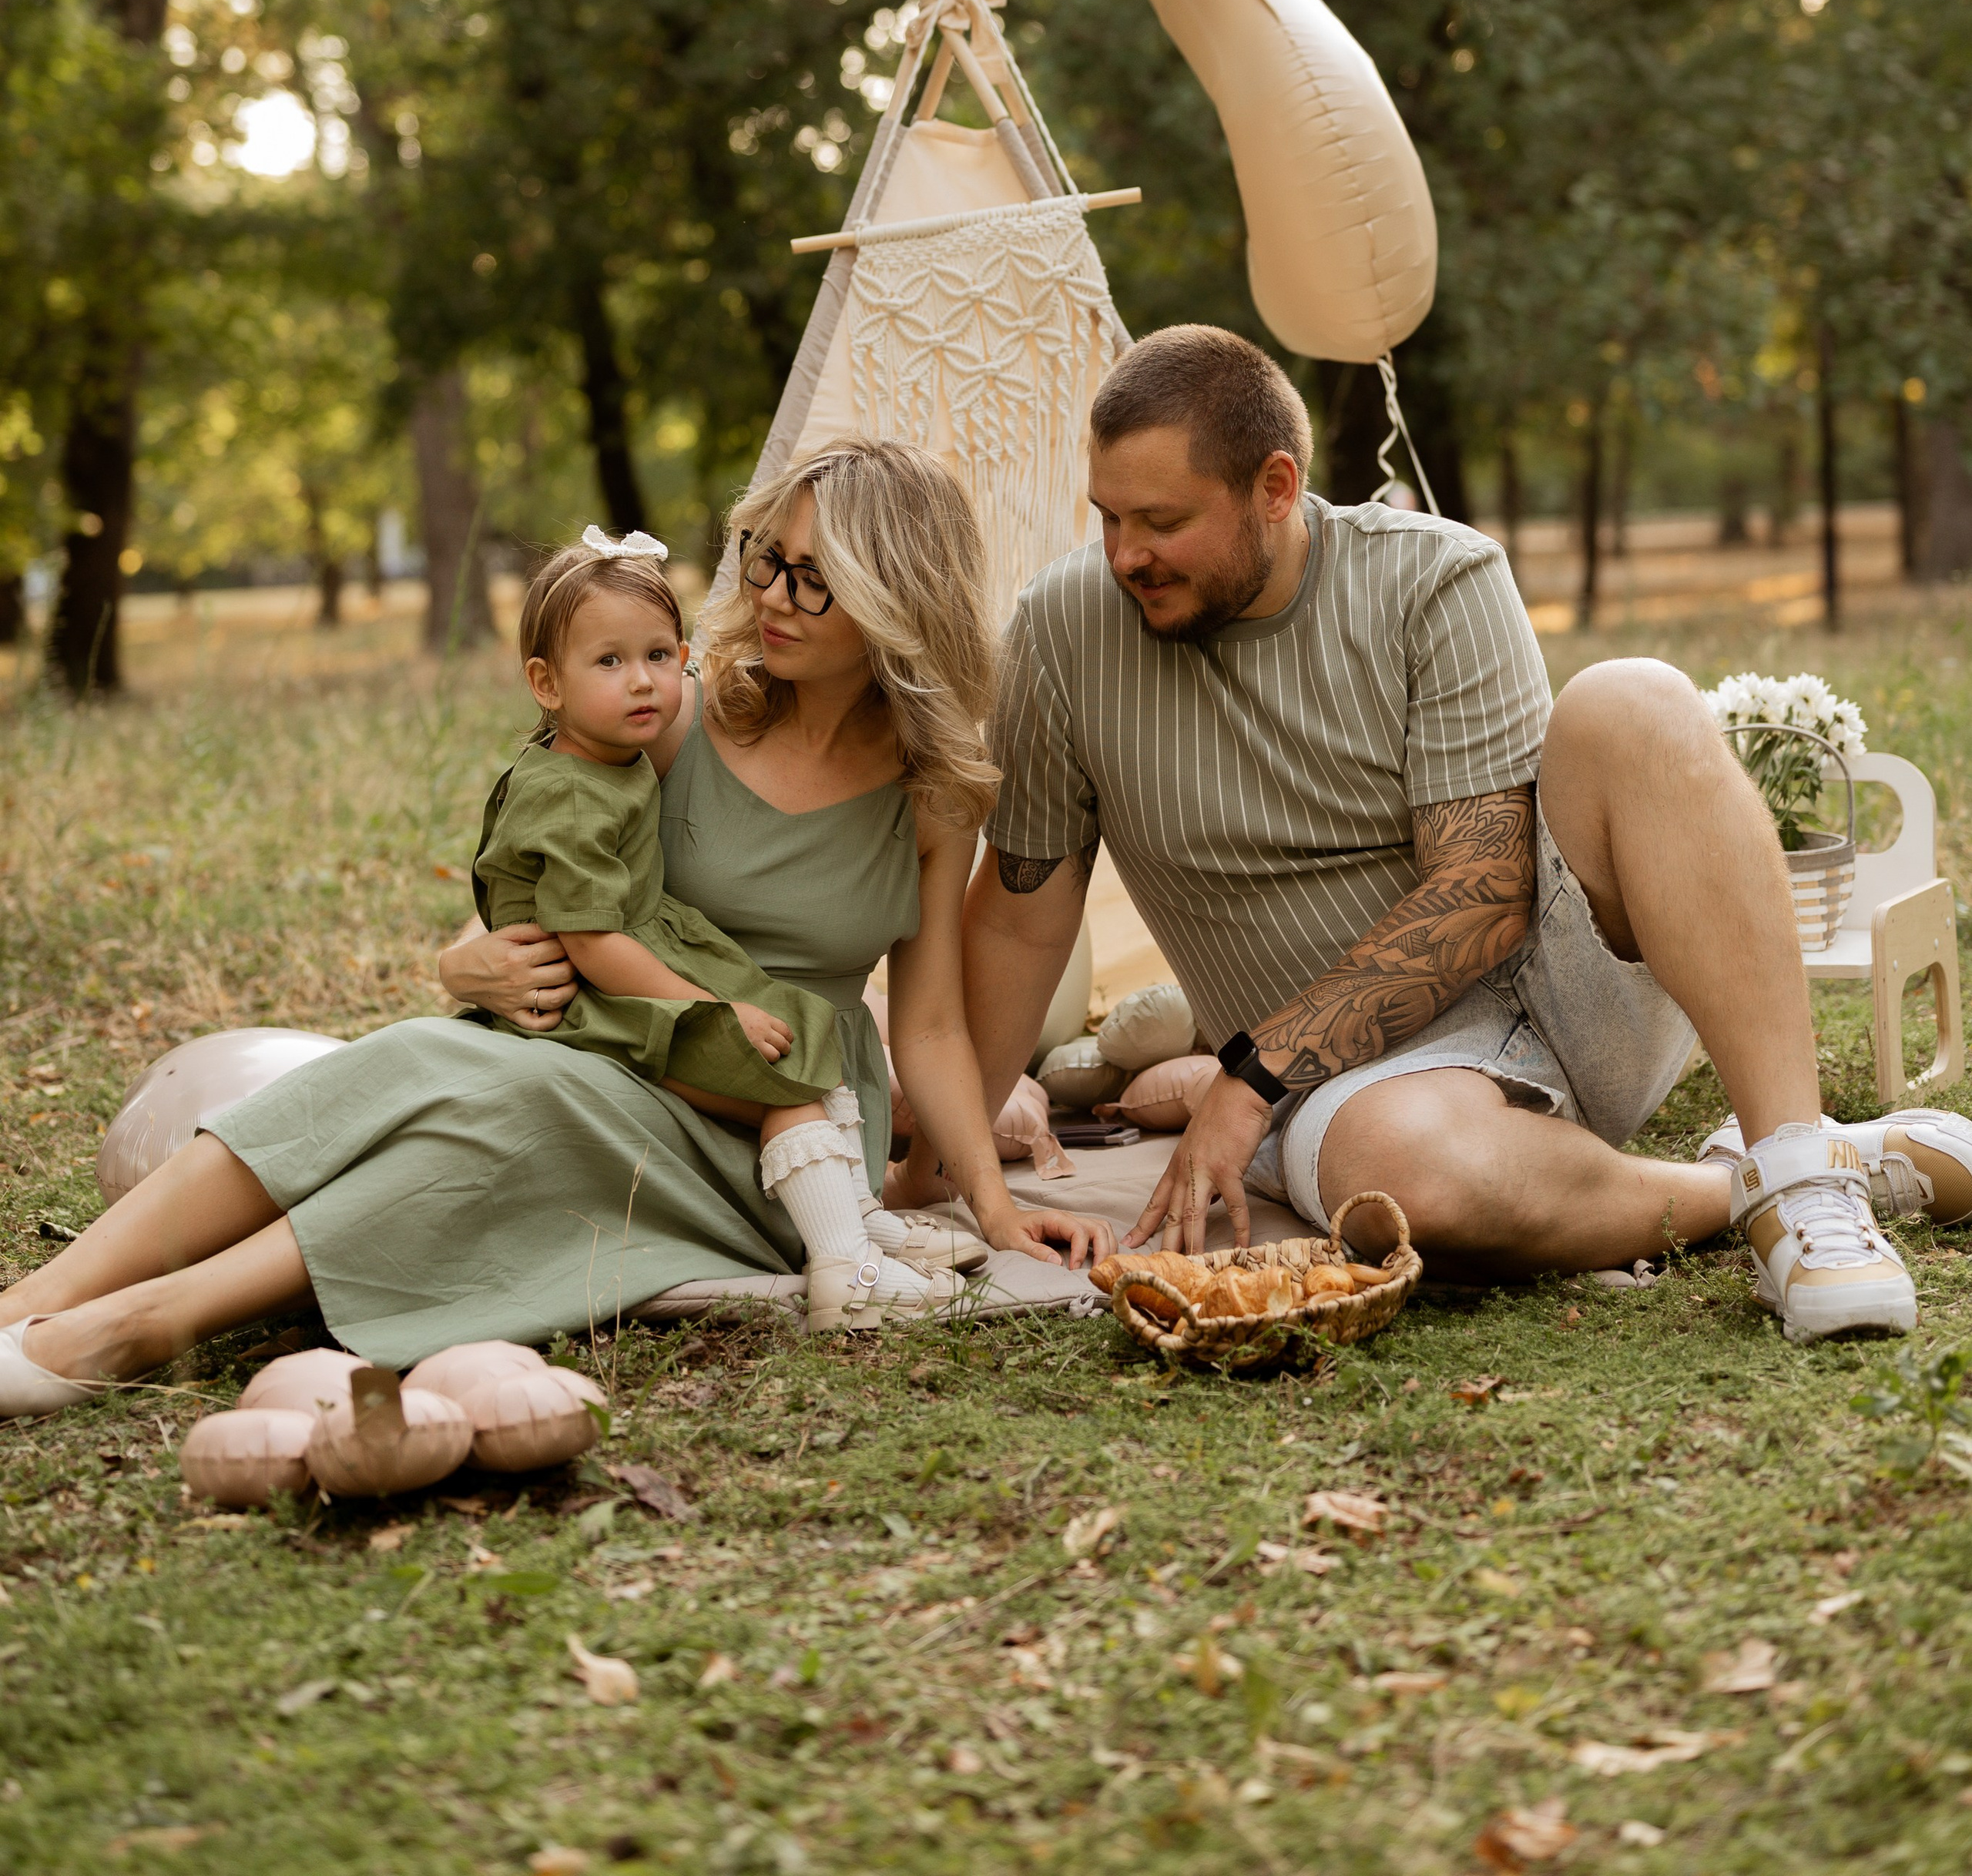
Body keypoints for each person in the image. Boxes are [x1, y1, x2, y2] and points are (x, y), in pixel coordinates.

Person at [896, 325, 1972, 1343]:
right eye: (1108, 518)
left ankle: (1797, 1166)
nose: (1127, 554)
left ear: (1274, 489)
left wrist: (1247, 1077)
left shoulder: (1436, 577)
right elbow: (1020, 922)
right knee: (1398, 1175)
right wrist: (935, 1172)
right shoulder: (1060, 632)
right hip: (1354, 1099)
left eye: (1164, 523)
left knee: (1634, 698)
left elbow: (1488, 890)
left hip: (1557, 993)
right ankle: (1763, 1185)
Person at [0, 442, 1108, 1417]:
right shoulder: (679, 712)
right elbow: (563, 857)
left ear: (892, 599)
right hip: (625, 1036)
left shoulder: (931, 792)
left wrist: (997, 1211)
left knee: (510, 1107)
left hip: (782, 1120)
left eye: (812, 579)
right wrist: (463, 958)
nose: (769, 592)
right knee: (420, 1056)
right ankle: (37, 1301)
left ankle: (142, 1329)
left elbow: (930, 1029)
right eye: (765, 555)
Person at [468, 525, 947, 1328]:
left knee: (802, 1035)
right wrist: (713, 1009)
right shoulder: (573, 789)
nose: (644, 682)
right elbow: (585, 938)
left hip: (631, 959)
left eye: (660, 655)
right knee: (786, 1086)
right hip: (595, 990)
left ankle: (857, 1215)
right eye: (610, 662)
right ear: (545, 683)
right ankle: (845, 1274)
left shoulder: (616, 754)